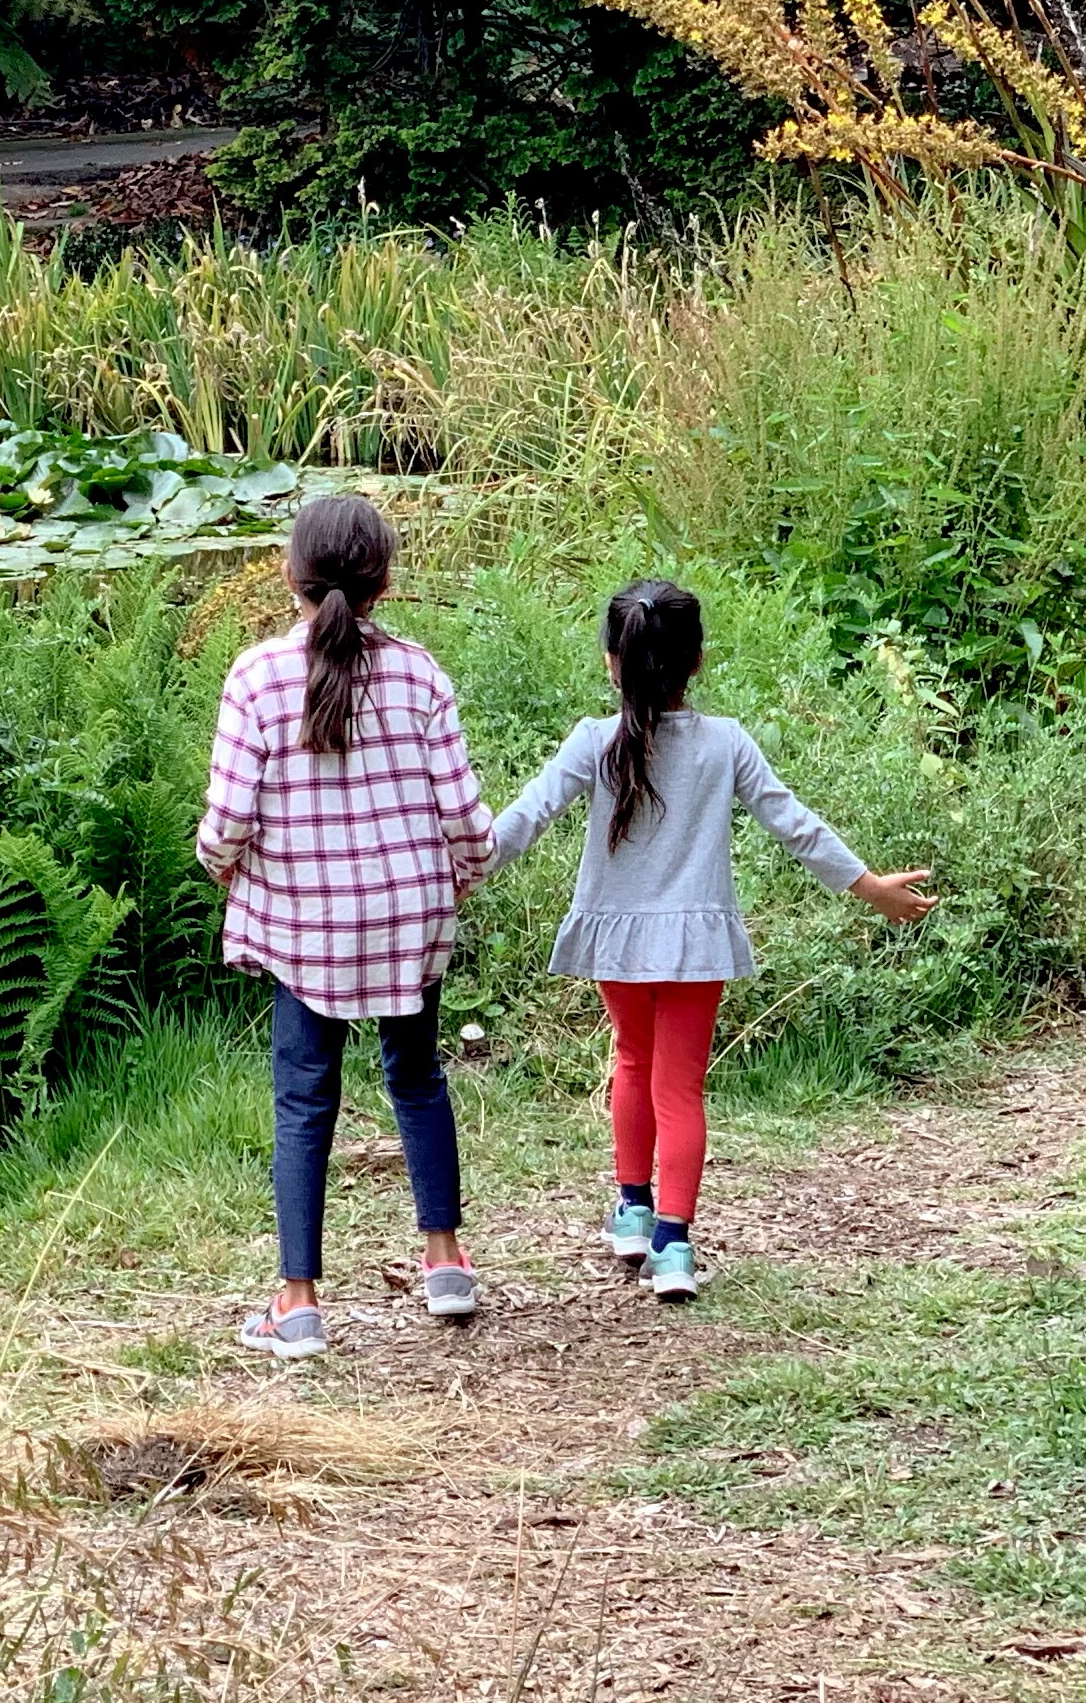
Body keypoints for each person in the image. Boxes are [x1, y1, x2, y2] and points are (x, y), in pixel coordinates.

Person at [492, 579, 936, 1301]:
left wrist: (456, 872)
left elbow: (523, 818)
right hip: (697, 944)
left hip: (618, 939)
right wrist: (869, 887)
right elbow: (795, 823)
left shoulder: (591, 741)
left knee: (632, 1061)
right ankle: (672, 1246)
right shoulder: (724, 743)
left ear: (613, 661)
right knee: (680, 1087)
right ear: (696, 661)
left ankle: (632, 1210)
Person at [196, 492, 493, 1360]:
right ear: (385, 583)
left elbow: (225, 828)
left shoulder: (255, 678)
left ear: (289, 576)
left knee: (303, 1099)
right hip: (408, 916)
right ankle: (445, 1263)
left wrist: (230, 874)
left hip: (304, 927)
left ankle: (299, 1304)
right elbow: (468, 824)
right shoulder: (420, 673)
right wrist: (458, 884)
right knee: (418, 1076)